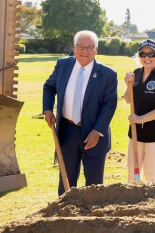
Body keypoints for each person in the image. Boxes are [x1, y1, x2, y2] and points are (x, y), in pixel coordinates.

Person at [43, 30, 118, 196]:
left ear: (96, 49)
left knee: (94, 184)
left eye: (90, 47)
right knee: (66, 182)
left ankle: (91, 218)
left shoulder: (108, 75)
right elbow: (49, 87)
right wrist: (48, 109)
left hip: (94, 134)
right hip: (67, 132)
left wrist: (97, 132)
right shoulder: (63, 65)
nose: (85, 51)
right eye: (81, 47)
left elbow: (109, 106)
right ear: (74, 48)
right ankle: (65, 215)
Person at [124, 39, 155, 182]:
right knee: (132, 173)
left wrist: (141, 119)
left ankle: (153, 204)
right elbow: (128, 99)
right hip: (137, 131)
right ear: (138, 56)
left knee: (150, 173)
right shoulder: (136, 74)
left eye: (151, 54)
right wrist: (128, 85)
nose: (147, 58)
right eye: (143, 54)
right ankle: (133, 202)